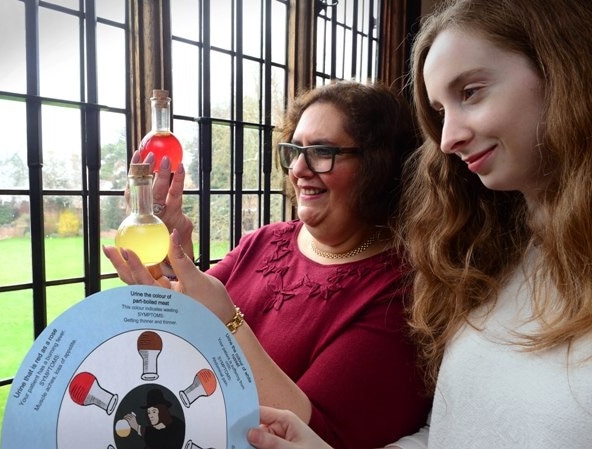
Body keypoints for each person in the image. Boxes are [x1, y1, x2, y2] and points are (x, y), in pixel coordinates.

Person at [244, 0, 592, 448]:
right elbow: (450, 432)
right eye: (440, 113)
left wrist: (226, 320)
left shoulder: (396, 286)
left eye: (471, 92)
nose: (448, 140)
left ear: (562, 71)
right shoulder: (482, 258)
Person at [104, 81, 431, 448]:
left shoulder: (402, 293)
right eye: (295, 151)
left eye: (322, 152)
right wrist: (168, 262)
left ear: (379, 165)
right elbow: (189, 322)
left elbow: (318, 435)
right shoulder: (264, 241)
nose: (300, 169)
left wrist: (228, 323)